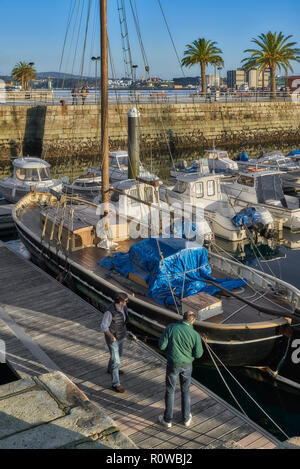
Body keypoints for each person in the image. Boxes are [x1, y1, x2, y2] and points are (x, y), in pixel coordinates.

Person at [158, 311, 203, 428]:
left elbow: (162, 346)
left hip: (173, 364)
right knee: (186, 390)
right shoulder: (195, 335)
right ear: (193, 321)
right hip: (187, 365)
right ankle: (186, 418)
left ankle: (167, 420)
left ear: (182, 318)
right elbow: (198, 354)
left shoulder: (171, 328)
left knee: (170, 390)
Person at [101, 292, 129, 393]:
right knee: (116, 361)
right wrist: (111, 336)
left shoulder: (124, 308)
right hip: (113, 338)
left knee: (118, 355)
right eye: (126, 300)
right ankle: (116, 384)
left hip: (121, 336)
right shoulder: (109, 312)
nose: (127, 302)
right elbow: (104, 326)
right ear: (120, 302)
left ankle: (110, 369)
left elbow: (123, 321)